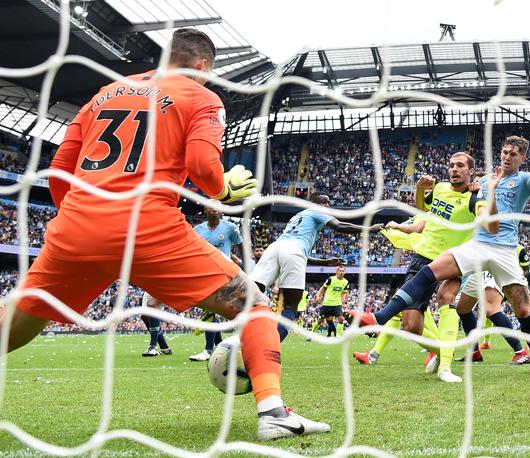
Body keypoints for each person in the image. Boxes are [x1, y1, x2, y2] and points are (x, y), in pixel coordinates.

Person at [0, 28, 330, 440]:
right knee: (255, 305)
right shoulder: (201, 96)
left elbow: (61, 169)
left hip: (76, 228)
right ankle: (273, 412)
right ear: (203, 66)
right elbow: (202, 167)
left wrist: (81, 220)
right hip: (147, 229)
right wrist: (223, 188)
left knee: (17, 323)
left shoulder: (105, 92)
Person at [346, 136, 530, 373]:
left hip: (505, 249)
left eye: (513, 154)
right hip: (477, 243)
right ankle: (378, 317)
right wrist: (472, 187)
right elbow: (464, 194)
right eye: (504, 152)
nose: (507, 157)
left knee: (523, 310)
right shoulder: (485, 179)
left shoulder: (522, 180)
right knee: (431, 272)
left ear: (522, 158)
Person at [348, 152, 497, 382]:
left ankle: (445, 368)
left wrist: (482, 196)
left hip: (453, 260)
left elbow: (485, 220)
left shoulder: (474, 198)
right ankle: (442, 351)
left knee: (447, 297)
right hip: (423, 258)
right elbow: (423, 210)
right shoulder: (440, 189)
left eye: (460, 165)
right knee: (411, 326)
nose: (454, 169)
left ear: (471, 171)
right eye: (451, 165)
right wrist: (419, 189)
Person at [250, 191, 383, 341]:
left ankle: (248, 333)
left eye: (328, 203)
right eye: (323, 202)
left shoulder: (298, 216)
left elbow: (295, 250)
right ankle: (269, 344)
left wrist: (324, 262)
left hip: (274, 248)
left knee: (252, 293)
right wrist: (370, 229)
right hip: (292, 250)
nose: (327, 206)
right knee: (291, 306)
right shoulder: (316, 211)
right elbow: (339, 226)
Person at [189, 205, 243, 362]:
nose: (214, 209)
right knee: (211, 309)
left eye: (217, 207)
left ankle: (209, 349)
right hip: (204, 272)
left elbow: (241, 246)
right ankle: (218, 345)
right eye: (210, 207)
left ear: (221, 211)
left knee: (216, 309)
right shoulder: (198, 230)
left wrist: (245, 267)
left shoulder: (230, 228)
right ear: (205, 210)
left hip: (224, 272)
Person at [472, 243, 530, 359]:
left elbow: (526, 270)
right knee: (490, 311)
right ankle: (486, 342)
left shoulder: (519, 249)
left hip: (515, 285)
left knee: (524, 315)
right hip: (499, 283)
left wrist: (519, 279)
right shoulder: (491, 247)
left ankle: (529, 346)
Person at [315, 265, 349, 337]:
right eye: (340, 271)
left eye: (343, 271)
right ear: (337, 272)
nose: (341, 272)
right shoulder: (331, 279)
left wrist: (344, 300)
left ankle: (338, 336)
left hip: (337, 304)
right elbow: (323, 288)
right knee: (320, 320)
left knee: (340, 319)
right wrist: (318, 296)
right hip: (327, 303)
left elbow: (344, 292)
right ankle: (311, 334)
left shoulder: (346, 282)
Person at [140, 291, 172, 357]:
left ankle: (152, 347)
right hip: (149, 288)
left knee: (152, 305)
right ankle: (164, 348)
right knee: (144, 317)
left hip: (162, 286)